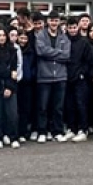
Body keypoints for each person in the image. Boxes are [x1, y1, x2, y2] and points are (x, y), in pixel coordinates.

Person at [35, 11, 70, 143]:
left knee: (58, 107)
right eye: (51, 20)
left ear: (59, 22)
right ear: (47, 21)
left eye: (56, 20)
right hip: (44, 76)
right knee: (43, 107)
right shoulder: (41, 35)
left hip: (61, 77)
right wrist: (58, 53)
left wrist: (50, 54)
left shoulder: (64, 37)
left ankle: (57, 131)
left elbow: (67, 55)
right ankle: (42, 131)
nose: (54, 23)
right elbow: (41, 51)